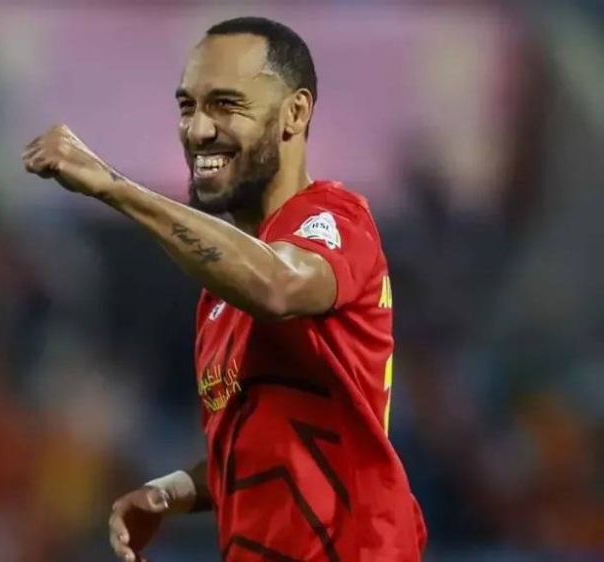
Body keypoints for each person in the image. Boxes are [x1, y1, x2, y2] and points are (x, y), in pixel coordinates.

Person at [22, 16, 427, 562]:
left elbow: (277, 285)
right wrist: (169, 492)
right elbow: (258, 447)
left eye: (226, 105)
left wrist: (112, 186)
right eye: (187, 106)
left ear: (295, 113)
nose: (197, 130)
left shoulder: (336, 220)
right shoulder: (218, 300)